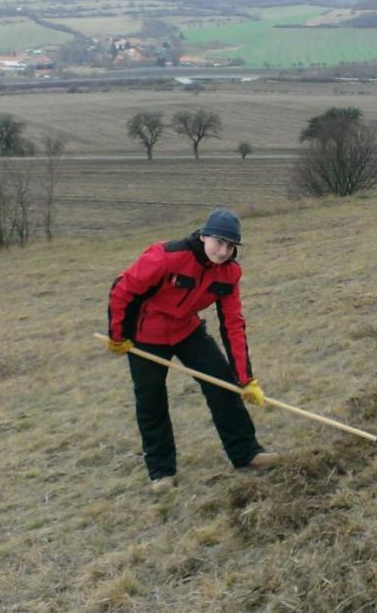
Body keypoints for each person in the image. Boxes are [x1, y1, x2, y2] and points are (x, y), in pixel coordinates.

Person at [105, 208, 276, 492]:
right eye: (219, 242)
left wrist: (245, 379)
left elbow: (233, 324)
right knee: (151, 400)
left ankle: (247, 453)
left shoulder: (230, 273)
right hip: (147, 335)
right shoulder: (166, 256)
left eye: (230, 246)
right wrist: (117, 335)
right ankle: (161, 472)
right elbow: (121, 290)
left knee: (223, 386)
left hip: (188, 330)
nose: (223, 251)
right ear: (204, 235)